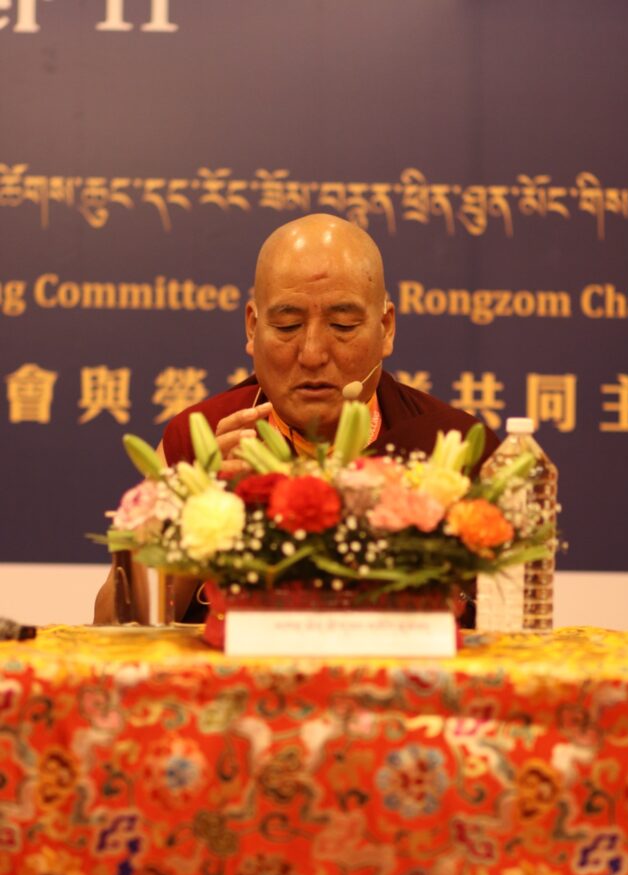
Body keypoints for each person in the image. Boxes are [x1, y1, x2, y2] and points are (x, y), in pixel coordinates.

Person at [94, 214, 497, 624]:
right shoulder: (204, 439)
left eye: (342, 325)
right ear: (252, 328)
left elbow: (510, 629)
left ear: (386, 328)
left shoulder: (452, 449)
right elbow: (112, 628)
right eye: (287, 325)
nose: (312, 353)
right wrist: (196, 511)